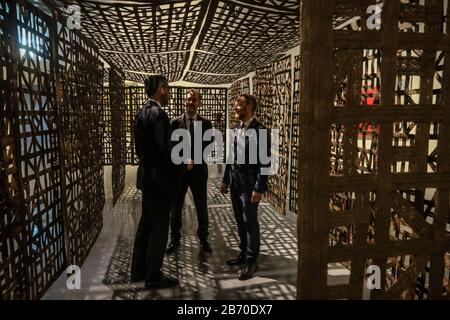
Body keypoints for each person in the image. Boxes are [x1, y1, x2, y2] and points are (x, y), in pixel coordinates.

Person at [130, 75, 179, 289]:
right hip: (159, 180)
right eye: (166, 88)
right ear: (160, 89)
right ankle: (153, 275)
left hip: (147, 177)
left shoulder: (141, 112)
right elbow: (163, 152)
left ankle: (137, 271)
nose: (168, 92)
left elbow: (141, 150)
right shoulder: (159, 115)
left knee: (145, 225)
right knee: (160, 227)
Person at [220, 94, 270, 281]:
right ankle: (243, 254)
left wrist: (259, 188)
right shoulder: (234, 130)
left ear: (250, 106)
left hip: (250, 188)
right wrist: (226, 180)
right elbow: (230, 158)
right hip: (235, 185)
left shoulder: (261, 131)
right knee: (240, 222)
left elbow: (265, 163)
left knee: (250, 224)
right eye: (235, 104)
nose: (235, 106)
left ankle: (251, 261)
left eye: (239, 104)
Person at [167, 89, 213, 253]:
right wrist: (184, 159)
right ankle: (175, 239)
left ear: (199, 103)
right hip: (179, 172)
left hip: (199, 172)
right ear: (184, 102)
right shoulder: (174, 123)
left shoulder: (206, 124)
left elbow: (209, 144)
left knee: (201, 206)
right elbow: (171, 146)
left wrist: (193, 158)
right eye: (188, 100)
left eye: (194, 100)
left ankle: (203, 239)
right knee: (176, 206)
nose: (190, 103)